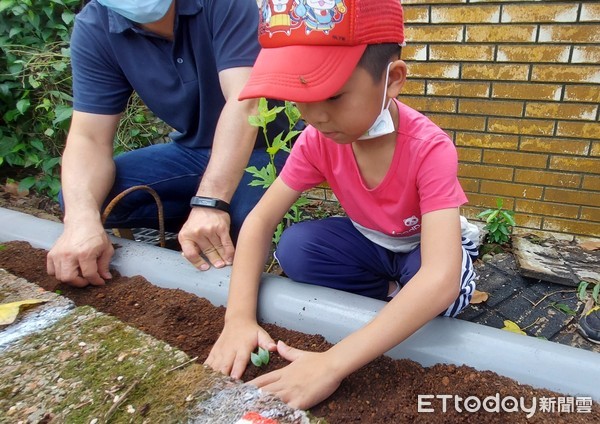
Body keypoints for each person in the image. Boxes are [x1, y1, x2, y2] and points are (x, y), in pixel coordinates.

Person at [205, 0, 480, 410]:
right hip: (370, 238)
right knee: (296, 248)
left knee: (446, 293)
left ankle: (442, 268)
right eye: (299, 95)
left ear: (393, 80)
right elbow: (261, 220)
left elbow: (438, 278)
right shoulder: (316, 141)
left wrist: (332, 364)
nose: (313, 115)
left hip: (420, 242)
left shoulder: (430, 148)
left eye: (332, 95)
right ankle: (393, 292)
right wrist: (238, 319)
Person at [46, 0, 289, 287]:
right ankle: (195, 233)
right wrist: (79, 222)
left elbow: (245, 104)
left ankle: (218, 245)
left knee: (246, 222)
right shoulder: (96, 27)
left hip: (266, 148)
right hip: (191, 151)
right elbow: (89, 138)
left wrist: (209, 203)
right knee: (84, 201)